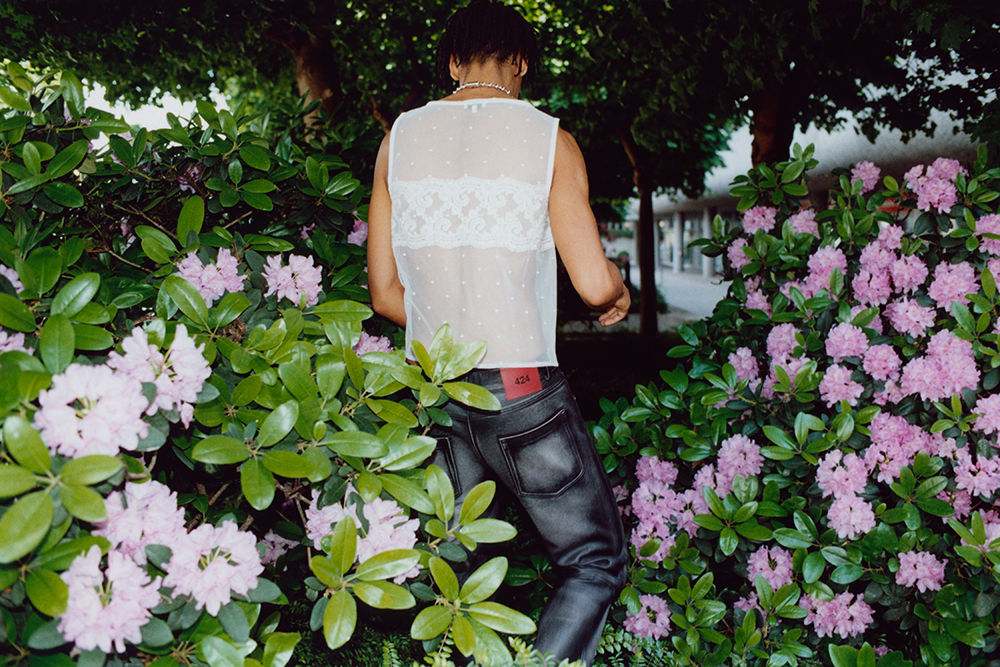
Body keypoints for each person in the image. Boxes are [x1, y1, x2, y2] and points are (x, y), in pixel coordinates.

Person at [367, 2, 630, 664]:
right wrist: (619, 287)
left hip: (433, 389)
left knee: (449, 572)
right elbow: (594, 285)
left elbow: (386, 294)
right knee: (593, 560)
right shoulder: (549, 140)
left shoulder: (398, 139)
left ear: (453, 63)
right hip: (520, 386)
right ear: (522, 62)